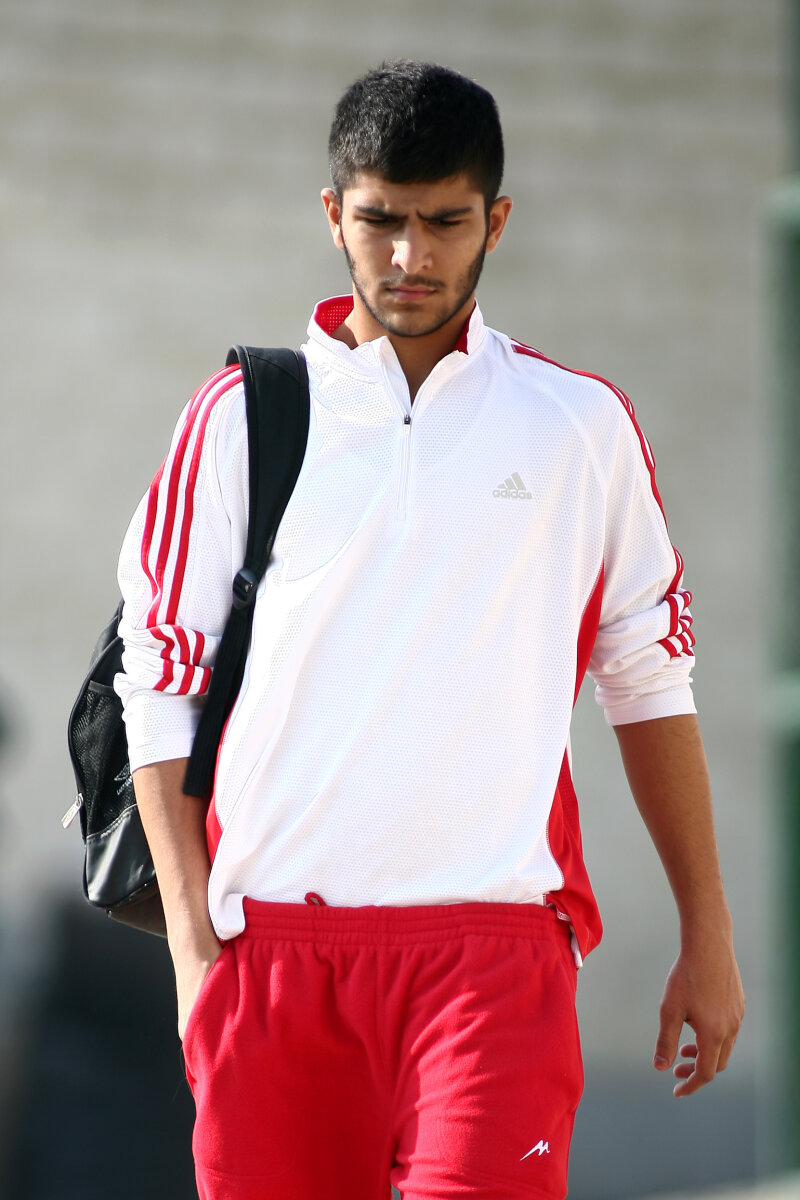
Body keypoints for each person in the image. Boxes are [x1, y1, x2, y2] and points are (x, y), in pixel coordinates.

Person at [115, 60, 744, 1200]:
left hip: (495, 957)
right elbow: (159, 681)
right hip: (273, 959)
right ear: (332, 214)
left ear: (495, 220)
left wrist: (708, 932)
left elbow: (648, 678)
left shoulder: (578, 426)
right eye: (380, 220)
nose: (409, 256)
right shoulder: (239, 419)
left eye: (445, 222)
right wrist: (195, 953)